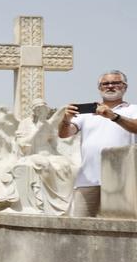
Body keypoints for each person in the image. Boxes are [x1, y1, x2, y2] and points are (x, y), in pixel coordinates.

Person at [58, 70, 137, 217]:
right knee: (80, 228)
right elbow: (64, 134)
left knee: (119, 226)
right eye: (105, 83)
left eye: (116, 83)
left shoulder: (133, 109)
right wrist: (66, 119)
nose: (110, 86)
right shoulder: (87, 113)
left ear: (125, 87)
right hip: (88, 179)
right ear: (99, 88)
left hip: (123, 180)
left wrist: (114, 116)